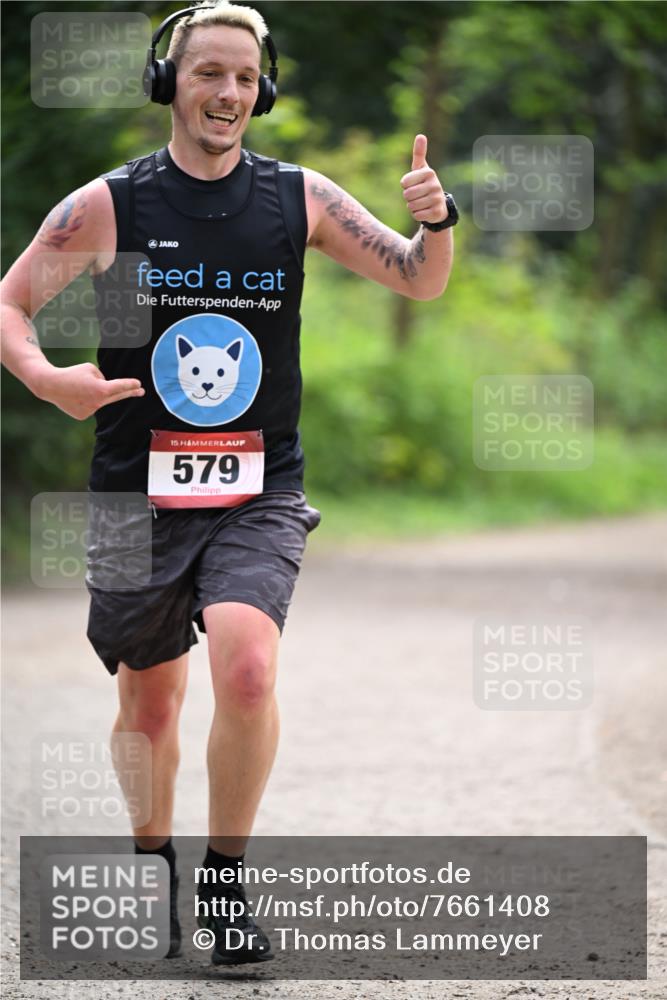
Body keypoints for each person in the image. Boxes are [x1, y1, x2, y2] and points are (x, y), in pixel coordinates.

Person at [0, 0, 456, 967]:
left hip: (258, 483)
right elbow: (11, 304)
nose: (229, 93)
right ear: (170, 82)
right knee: (150, 707)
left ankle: (224, 882)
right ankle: (152, 858)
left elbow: (419, 279)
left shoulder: (298, 200)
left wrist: (439, 219)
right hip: (133, 491)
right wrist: (50, 381)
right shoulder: (111, 205)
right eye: (209, 72)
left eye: (246, 78)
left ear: (266, 88)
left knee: (247, 665)